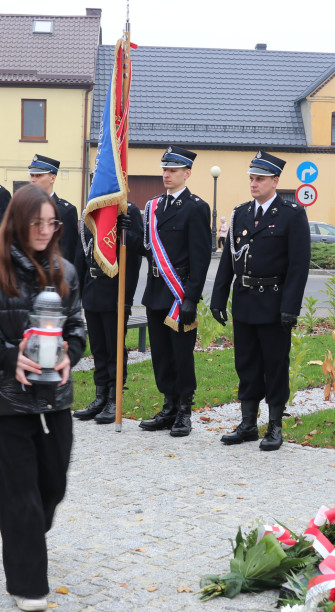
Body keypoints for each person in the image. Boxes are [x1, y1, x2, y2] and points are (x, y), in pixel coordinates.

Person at [0, 184, 85, 612]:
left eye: (51, 223)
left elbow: (78, 328)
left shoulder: (65, 271)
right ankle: (27, 584)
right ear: (18, 224)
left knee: (51, 488)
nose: (45, 231)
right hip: (3, 402)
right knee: (19, 493)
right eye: (36, 223)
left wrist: (69, 355)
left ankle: (25, 531)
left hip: (54, 400)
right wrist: (8, 358)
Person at [210, 151, 310, 451]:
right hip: (244, 301)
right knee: (246, 363)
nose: (254, 183)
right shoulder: (241, 212)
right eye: (251, 178)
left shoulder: (291, 214)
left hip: (274, 302)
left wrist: (290, 307)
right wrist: (218, 297)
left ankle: (275, 426)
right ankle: (248, 423)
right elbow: (229, 259)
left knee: (275, 366)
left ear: (275, 181)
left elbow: (298, 265)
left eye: (260, 179)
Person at [138, 146, 212, 438]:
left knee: (181, 354)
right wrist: (129, 231)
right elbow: (148, 249)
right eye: (164, 170)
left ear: (187, 173)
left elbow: (200, 257)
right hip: (156, 288)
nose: (166, 175)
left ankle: (184, 410)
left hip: (179, 293)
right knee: (161, 354)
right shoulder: (154, 206)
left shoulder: (196, 207)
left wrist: (191, 297)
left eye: (173, 170)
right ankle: (168, 405)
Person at [72, 203, 144, 424]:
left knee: (114, 348)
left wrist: (127, 231)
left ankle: (114, 398)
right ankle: (100, 396)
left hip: (115, 290)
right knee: (99, 348)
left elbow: (139, 251)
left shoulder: (126, 210)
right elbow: (81, 252)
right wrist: (78, 290)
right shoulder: (90, 211)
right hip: (92, 289)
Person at [28, 154, 80, 266]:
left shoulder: (65, 211)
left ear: (52, 178)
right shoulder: (25, 207)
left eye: (39, 176)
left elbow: (68, 252)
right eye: (32, 175)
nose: (33, 180)